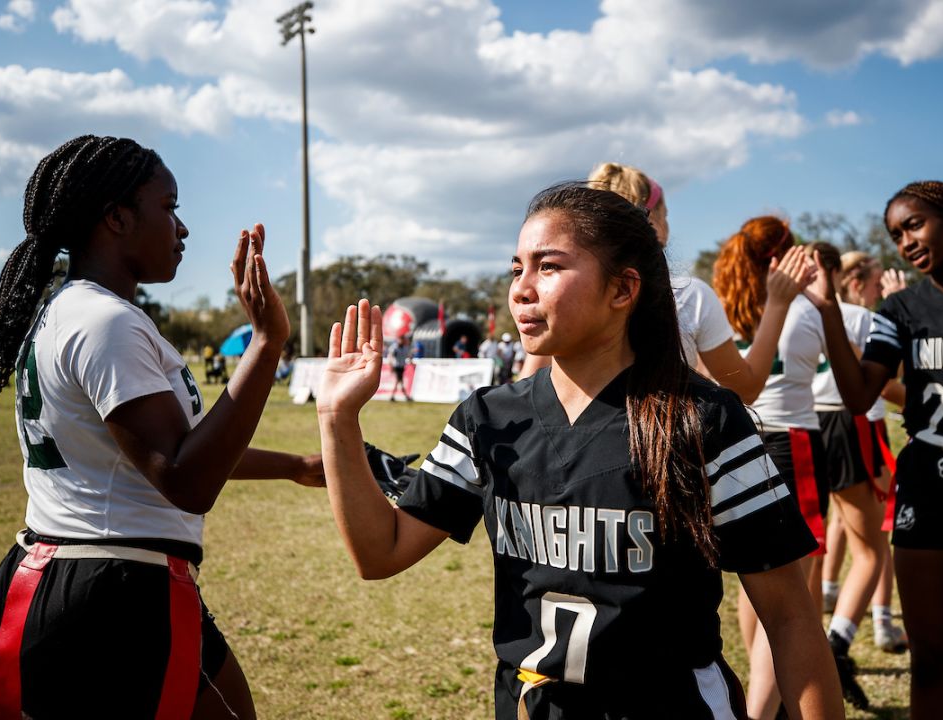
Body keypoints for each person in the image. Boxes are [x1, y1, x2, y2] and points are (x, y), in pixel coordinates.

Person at [313, 183, 844, 720]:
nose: (521, 288)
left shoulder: (703, 420)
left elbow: (791, 618)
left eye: (548, 266)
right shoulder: (489, 419)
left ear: (623, 290)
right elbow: (381, 552)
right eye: (516, 268)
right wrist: (336, 419)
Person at [0, 135, 323, 720]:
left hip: (64, 576)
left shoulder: (68, 310)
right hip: (112, 601)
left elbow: (167, 449)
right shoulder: (106, 323)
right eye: (169, 207)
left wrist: (296, 467)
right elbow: (184, 476)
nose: (182, 228)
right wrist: (266, 343)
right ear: (117, 218)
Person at [806, 180, 943, 719]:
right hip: (931, 490)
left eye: (914, 225)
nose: (905, 241)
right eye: (895, 235)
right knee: (931, 659)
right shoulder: (900, 308)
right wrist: (829, 314)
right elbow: (861, 395)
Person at [710, 219, 857, 713]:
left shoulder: (720, 300)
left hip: (739, 441)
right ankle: (762, 709)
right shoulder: (797, 307)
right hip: (791, 443)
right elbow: (842, 371)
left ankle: (762, 698)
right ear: (781, 259)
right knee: (796, 602)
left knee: (757, 586)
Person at [516, 162, 815, 402]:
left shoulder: (570, 304)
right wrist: (778, 302)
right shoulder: (689, 294)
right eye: (665, 215)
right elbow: (745, 389)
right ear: (652, 221)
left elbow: (528, 388)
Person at [820, 251, 908, 655]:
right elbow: (895, 383)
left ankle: (828, 590)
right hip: (860, 426)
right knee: (877, 532)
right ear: (855, 283)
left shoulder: (813, 312)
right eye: (874, 285)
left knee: (839, 521)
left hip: (816, 423)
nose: (877, 292)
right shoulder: (862, 319)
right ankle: (881, 619)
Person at [385, 335, 412, 401]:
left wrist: (411, 360)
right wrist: (390, 366)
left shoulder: (405, 347)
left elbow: (408, 355)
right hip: (396, 367)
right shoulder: (394, 348)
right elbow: (390, 357)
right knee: (399, 382)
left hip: (402, 367)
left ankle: (393, 396)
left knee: (399, 382)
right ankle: (406, 396)